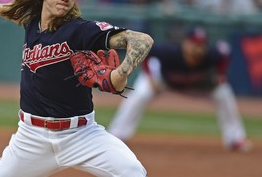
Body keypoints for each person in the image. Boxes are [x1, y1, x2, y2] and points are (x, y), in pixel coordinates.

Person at [0, 0, 153, 177]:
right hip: (30, 139)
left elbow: (142, 39)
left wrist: (122, 73)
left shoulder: (82, 30)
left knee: (133, 172)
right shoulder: (32, 23)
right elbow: (17, 13)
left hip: (81, 135)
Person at [108, 27, 252, 152]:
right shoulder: (170, 52)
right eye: (194, 43)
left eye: (201, 45)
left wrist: (221, 74)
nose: (197, 48)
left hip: (198, 86)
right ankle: (117, 134)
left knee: (223, 92)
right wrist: (150, 76)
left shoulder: (211, 55)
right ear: (185, 43)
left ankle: (235, 139)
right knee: (141, 93)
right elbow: (147, 51)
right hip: (164, 82)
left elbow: (225, 51)